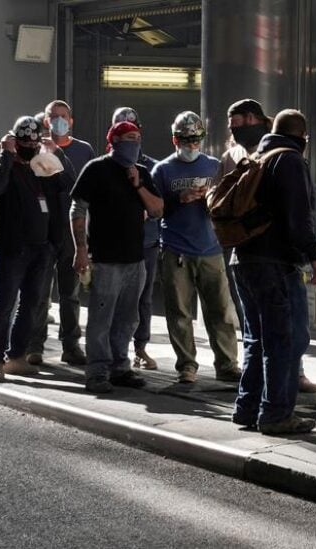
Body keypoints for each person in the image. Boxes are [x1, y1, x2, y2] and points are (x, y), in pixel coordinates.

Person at [231, 109, 316, 435]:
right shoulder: (290, 160)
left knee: (256, 339)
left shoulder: (259, 155)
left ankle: (247, 408)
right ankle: (276, 414)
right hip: (276, 263)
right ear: (304, 138)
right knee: (284, 340)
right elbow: (299, 218)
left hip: (243, 259)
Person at [70, 121, 163, 393]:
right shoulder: (96, 169)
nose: (134, 143)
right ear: (114, 141)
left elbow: (157, 210)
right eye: (128, 138)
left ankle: (120, 367)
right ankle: (97, 371)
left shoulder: (142, 173)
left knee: (128, 317)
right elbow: (77, 209)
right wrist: (81, 249)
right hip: (105, 258)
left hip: (136, 258)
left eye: (137, 138)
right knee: (101, 319)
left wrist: (138, 185)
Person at [0, 116, 75, 382]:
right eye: (25, 143)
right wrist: (6, 154)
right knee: (5, 304)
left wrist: (56, 154)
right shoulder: (2, 164)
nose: (31, 147)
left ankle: (17, 356)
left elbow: (68, 184)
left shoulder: (42, 167)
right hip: (13, 247)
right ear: (15, 141)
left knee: (32, 305)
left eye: (34, 143)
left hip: (42, 247)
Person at [152, 111, 241, 383]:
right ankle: (186, 365)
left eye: (196, 140)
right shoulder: (163, 170)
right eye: (186, 140)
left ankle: (227, 363)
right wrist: (179, 199)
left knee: (220, 311)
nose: (191, 145)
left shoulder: (214, 166)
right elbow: (153, 210)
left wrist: (210, 201)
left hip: (210, 248)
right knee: (179, 312)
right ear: (175, 140)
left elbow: (229, 203)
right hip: (175, 248)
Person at [27, 99, 94, 367]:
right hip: (43, 231)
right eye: (53, 116)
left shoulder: (83, 150)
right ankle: (35, 345)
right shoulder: (33, 149)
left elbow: (84, 187)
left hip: (71, 231)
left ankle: (71, 345)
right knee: (40, 292)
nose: (58, 121)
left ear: (71, 120)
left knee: (70, 293)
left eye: (63, 116)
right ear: (45, 121)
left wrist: (86, 240)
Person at [112, 106, 160, 370]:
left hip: (146, 243)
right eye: (122, 132)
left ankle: (140, 347)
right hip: (114, 245)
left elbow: (160, 207)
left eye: (133, 133)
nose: (129, 139)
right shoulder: (103, 167)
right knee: (113, 297)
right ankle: (113, 350)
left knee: (143, 297)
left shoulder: (151, 167)